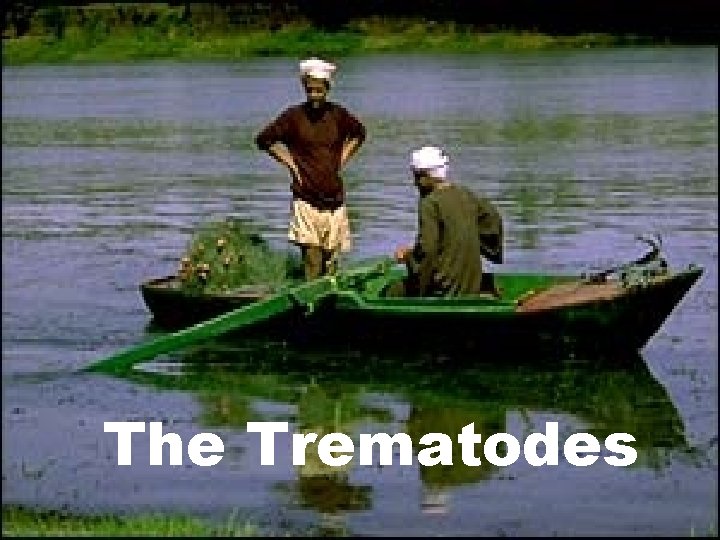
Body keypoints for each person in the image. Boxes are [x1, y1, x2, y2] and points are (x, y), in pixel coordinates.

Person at [255, 57, 366, 280]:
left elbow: (359, 134)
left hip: (334, 197)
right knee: (312, 257)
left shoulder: (338, 115)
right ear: (304, 88)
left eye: (319, 91)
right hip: (305, 197)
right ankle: (311, 293)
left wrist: (342, 159)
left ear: (328, 89)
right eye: (310, 90)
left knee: (331, 261)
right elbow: (264, 140)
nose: (314, 95)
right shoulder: (294, 117)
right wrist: (290, 164)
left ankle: (329, 295)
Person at [392, 146, 503, 297]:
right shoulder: (466, 194)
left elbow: (427, 250)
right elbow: (493, 220)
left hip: (445, 290)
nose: (415, 183)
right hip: (472, 285)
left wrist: (407, 257)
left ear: (427, 176)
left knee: (392, 290)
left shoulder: (430, 202)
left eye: (417, 177)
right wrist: (481, 247)